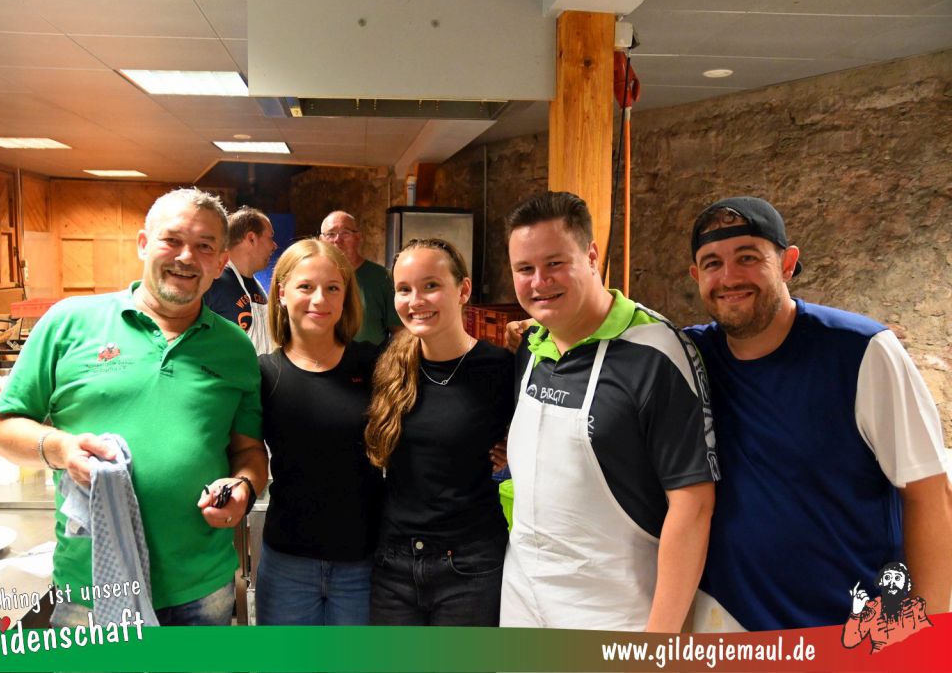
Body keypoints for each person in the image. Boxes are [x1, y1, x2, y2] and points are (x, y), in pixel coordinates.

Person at [0, 187, 268, 627]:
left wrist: (244, 487)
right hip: (93, 587)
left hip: (202, 586)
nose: (186, 257)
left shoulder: (235, 346)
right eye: (172, 240)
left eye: (204, 246)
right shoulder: (69, 322)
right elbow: (0, 429)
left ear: (220, 263)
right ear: (143, 244)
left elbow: (248, 451)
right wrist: (60, 448)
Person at [685, 196, 952, 632]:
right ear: (697, 277)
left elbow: (929, 494)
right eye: (712, 263)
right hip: (729, 620)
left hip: (850, 628)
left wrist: (929, 638)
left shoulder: (861, 350)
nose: (729, 277)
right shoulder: (689, 356)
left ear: (788, 264)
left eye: (748, 257)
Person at [499, 191, 717, 633]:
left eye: (555, 263)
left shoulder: (655, 352)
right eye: (525, 269)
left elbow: (693, 506)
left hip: (615, 610)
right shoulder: (532, 346)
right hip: (522, 594)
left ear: (592, 256)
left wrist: (660, 638)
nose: (539, 281)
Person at [365, 238, 514, 626]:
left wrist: (512, 452)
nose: (416, 301)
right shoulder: (387, 367)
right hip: (393, 564)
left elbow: (540, 436)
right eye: (404, 289)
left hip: (470, 565)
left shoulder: (500, 368)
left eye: (430, 285)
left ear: (463, 290)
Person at [256, 238, 383, 625]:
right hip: (288, 562)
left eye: (332, 288)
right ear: (282, 293)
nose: (319, 299)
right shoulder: (264, 373)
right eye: (306, 287)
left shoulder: (375, 364)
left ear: (346, 296)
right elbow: (241, 449)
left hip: (362, 560)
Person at [204, 206, 277, 355]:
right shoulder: (212, 282)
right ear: (251, 238)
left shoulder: (258, 286)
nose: (274, 246)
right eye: (270, 237)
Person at [320, 210, 400, 345]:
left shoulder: (382, 278)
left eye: (345, 233)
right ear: (321, 240)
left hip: (372, 358)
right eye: (330, 234)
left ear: (358, 237)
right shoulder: (314, 278)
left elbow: (400, 332)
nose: (337, 240)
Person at [843, 562, 932, 653]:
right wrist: (856, 613)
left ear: (906, 584)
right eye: (887, 577)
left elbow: (929, 641)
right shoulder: (873, 608)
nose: (892, 583)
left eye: (897, 578)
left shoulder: (915, 608)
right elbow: (850, 642)